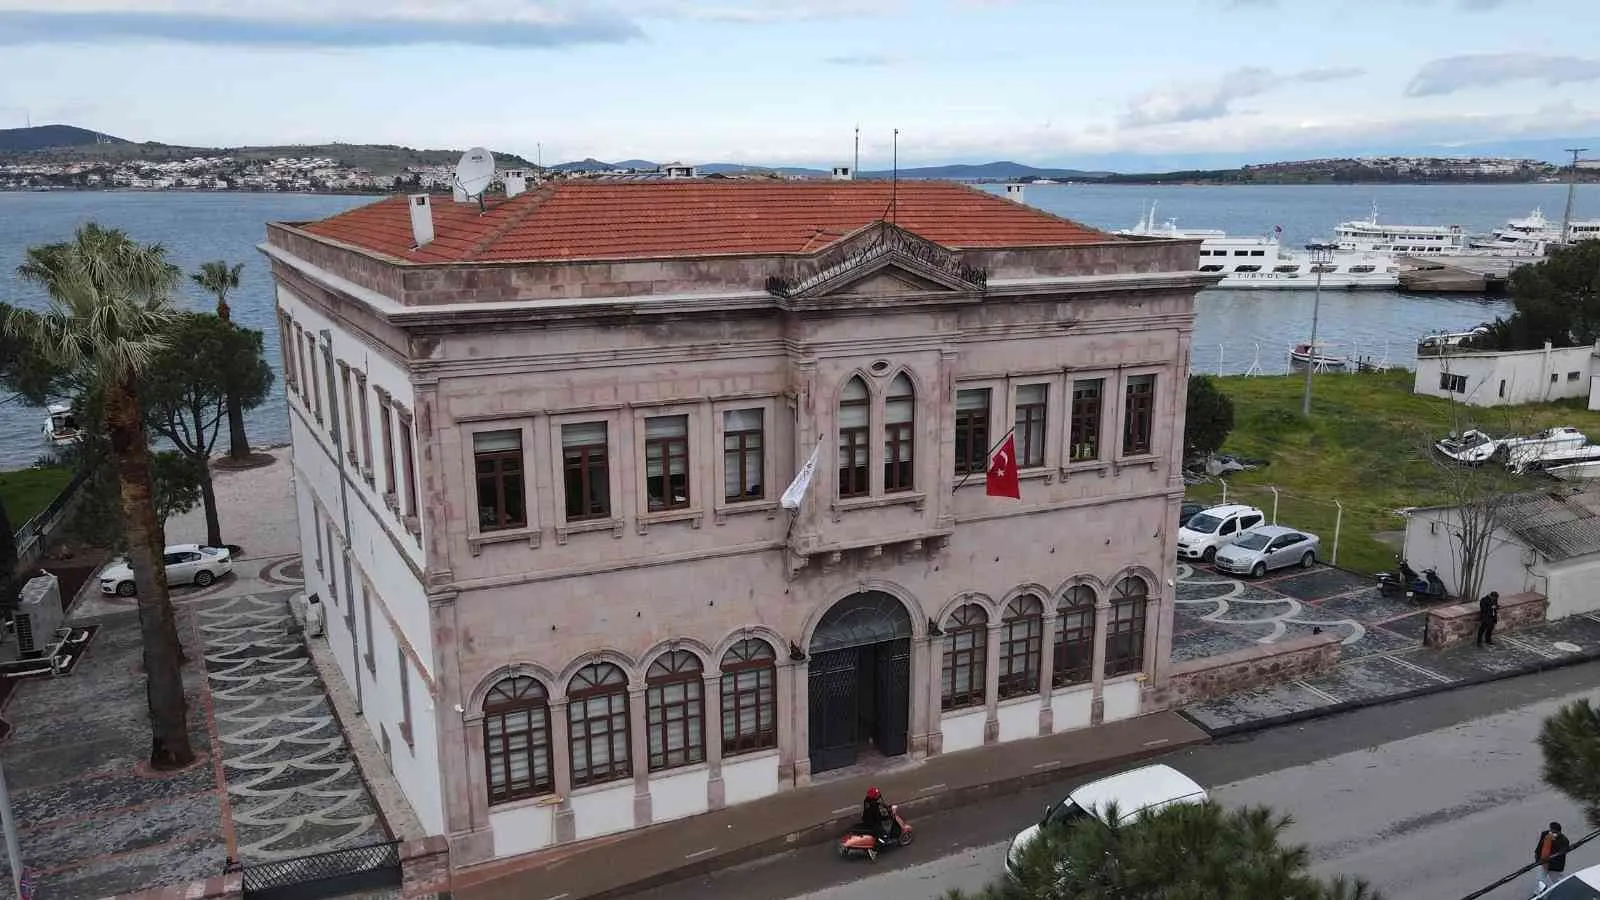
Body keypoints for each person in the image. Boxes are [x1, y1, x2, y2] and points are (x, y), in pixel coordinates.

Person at [1534, 821, 1571, 895]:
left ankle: (1563, 894)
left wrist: (1554, 841)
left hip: (1555, 866)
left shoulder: (1564, 840)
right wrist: (1537, 857)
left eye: (1554, 832)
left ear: (1559, 832)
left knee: (1557, 882)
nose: (1551, 832)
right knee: (1539, 879)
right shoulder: (1545, 834)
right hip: (1543, 863)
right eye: (1551, 830)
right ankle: (1538, 893)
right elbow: (1539, 847)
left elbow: (1562, 853)